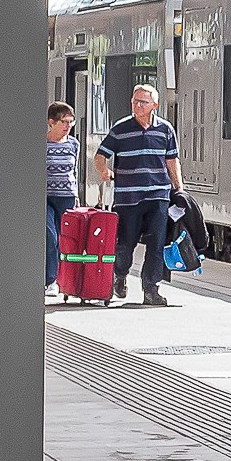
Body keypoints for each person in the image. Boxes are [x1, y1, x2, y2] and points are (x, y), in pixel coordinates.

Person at [97, 84, 185, 306]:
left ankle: (151, 289)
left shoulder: (165, 129)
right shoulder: (120, 129)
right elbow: (100, 155)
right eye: (135, 101)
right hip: (128, 198)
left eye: (143, 102)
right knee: (125, 244)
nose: (137, 105)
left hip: (158, 195)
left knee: (156, 244)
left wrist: (179, 188)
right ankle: (119, 275)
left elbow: (172, 160)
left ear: (154, 105)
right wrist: (104, 170)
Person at [43, 103, 79, 295]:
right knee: (50, 235)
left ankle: (61, 278)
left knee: (63, 238)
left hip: (67, 196)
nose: (67, 126)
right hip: (46, 196)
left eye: (70, 122)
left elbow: (74, 171)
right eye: (63, 122)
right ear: (51, 122)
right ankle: (50, 279)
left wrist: (77, 195)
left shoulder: (73, 144)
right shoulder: (42, 143)